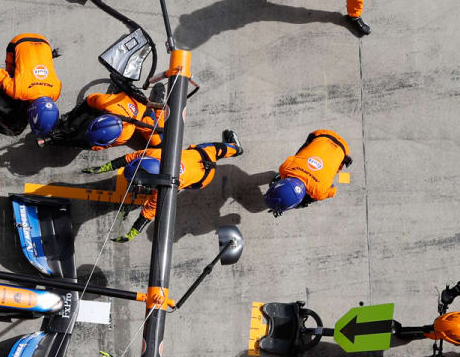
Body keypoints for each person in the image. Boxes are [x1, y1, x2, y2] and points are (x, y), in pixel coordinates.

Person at [83, 130, 243, 242]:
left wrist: (131, 234)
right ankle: (235, 148)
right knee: (215, 149)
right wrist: (103, 168)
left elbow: (148, 213)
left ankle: (234, 148)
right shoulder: (156, 155)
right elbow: (131, 158)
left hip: (201, 181)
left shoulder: (164, 189)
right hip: (203, 156)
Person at [0, 33, 62, 138]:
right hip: (17, 42)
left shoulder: (56, 92)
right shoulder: (17, 91)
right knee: (11, 72)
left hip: (43, 42)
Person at [266, 130, 352, 216]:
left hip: (340, 147)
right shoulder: (285, 168)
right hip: (323, 135)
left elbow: (332, 190)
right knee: (299, 156)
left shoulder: (319, 192)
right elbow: (292, 159)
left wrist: (320, 186)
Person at [45, 89, 163, 150]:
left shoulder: (125, 134)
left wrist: (61, 142)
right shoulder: (104, 102)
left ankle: (159, 102)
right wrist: (71, 121)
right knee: (89, 108)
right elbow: (87, 101)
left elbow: (91, 146)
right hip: (125, 98)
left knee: (158, 145)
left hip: (143, 110)